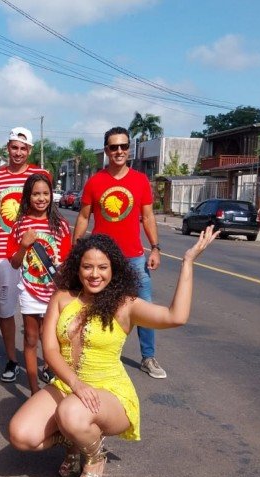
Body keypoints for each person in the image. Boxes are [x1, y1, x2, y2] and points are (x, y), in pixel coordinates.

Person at [8, 227, 218, 477]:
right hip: (67, 384)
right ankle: (76, 441)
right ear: (77, 267)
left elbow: (175, 316)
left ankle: (95, 458)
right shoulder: (62, 298)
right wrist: (75, 383)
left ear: (114, 269)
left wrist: (187, 262)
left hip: (110, 394)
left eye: (102, 267)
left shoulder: (125, 305)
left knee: (72, 412)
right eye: (87, 267)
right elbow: (49, 349)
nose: (94, 274)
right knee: (21, 435)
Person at [73, 126, 166, 379]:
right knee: (94, 306)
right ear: (106, 150)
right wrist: (76, 250)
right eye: (114, 147)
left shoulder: (139, 181)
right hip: (102, 259)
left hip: (135, 257)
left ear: (129, 149)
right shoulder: (95, 182)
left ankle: (148, 357)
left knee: (143, 307)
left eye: (123, 146)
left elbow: (147, 216)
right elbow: (83, 217)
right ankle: (87, 354)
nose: (119, 151)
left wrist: (155, 248)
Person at [0, 127, 51, 383]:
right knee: (6, 308)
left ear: (30, 150)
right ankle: (12, 360)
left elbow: (48, 208)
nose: (18, 152)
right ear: (7, 148)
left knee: (41, 310)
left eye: (23, 148)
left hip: (37, 253)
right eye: (14, 147)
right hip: (4, 253)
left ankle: (47, 362)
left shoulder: (41, 175)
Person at [7, 173, 71, 394]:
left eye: (45, 193)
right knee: (31, 338)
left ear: (51, 195)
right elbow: (15, 263)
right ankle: (34, 390)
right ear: (28, 196)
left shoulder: (61, 225)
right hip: (30, 290)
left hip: (55, 291)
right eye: (36, 194)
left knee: (53, 338)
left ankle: (56, 385)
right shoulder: (20, 225)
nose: (41, 198)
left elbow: (68, 261)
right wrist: (24, 246)